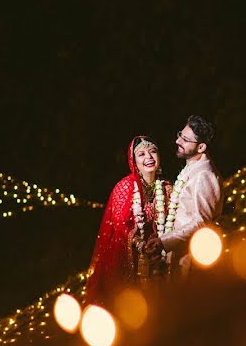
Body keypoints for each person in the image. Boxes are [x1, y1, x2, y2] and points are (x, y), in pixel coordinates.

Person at [85, 136, 172, 306]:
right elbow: (118, 224)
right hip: (128, 257)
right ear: (134, 162)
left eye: (153, 151)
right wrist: (140, 243)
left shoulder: (167, 188)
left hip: (159, 256)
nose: (148, 157)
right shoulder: (125, 187)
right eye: (141, 154)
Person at [144, 115, 222, 275]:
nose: (178, 141)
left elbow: (201, 222)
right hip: (178, 255)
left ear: (201, 147)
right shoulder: (192, 168)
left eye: (185, 139)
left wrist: (164, 242)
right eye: (180, 134)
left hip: (191, 260)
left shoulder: (204, 176)